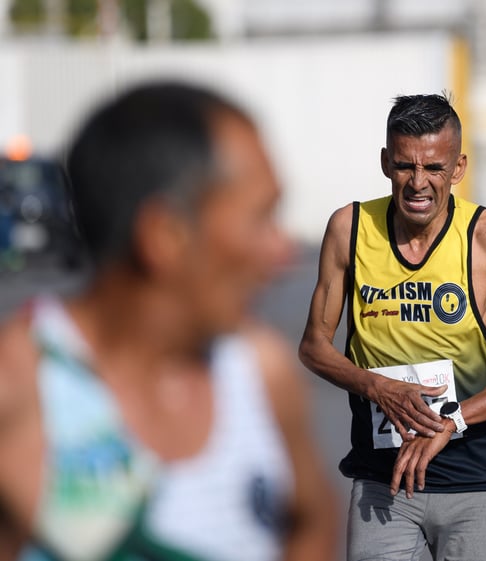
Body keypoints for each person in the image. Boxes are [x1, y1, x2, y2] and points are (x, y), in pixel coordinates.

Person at [0, 82, 337, 561]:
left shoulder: (262, 374)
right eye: (261, 218)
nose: (282, 251)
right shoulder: (22, 385)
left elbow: (311, 521)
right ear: (166, 235)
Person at [299, 93, 486, 561]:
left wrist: (451, 421)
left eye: (434, 169)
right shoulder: (350, 229)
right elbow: (314, 347)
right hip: (384, 483)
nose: (419, 183)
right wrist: (376, 387)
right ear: (385, 162)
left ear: (457, 168)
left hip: (472, 479)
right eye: (404, 166)